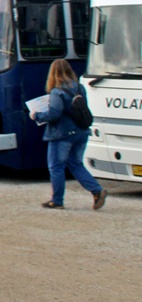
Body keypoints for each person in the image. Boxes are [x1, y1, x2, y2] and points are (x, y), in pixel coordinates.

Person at [30, 58, 108, 210]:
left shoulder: (57, 91)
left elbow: (54, 114)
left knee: (56, 166)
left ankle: (57, 200)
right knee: (75, 164)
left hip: (62, 134)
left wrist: (37, 116)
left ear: (52, 73)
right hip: (81, 131)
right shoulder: (80, 88)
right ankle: (97, 191)